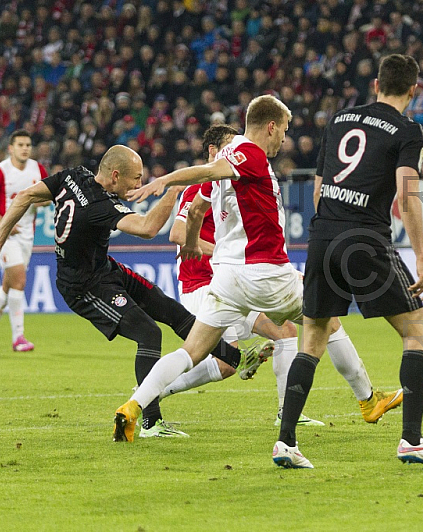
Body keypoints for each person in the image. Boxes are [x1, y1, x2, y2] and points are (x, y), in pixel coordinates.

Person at [113, 95, 402, 443]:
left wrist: (190, 242)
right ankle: (368, 400)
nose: (284, 138)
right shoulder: (247, 151)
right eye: (284, 130)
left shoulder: (231, 161)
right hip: (265, 271)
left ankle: (134, 405)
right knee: (328, 319)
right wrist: (167, 181)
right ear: (270, 126)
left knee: (192, 351)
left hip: (227, 278)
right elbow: (204, 174)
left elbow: (196, 210)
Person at [0, 145, 264, 440]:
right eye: (135, 179)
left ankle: (234, 359)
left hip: (104, 270)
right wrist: (173, 188)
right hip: (83, 287)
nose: (138, 185)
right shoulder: (100, 206)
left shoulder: (73, 176)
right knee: (149, 333)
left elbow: (25, 196)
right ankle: (151, 422)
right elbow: (149, 228)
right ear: (115, 176)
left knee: (170, 309)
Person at [272, 54, 423, 469]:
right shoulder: (409, 130)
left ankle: (286, 443)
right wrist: (422, 261)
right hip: (365, 239)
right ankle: (411, 440)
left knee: (313, 340)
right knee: (417, 334)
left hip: (322, 237)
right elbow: (407, 198)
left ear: (375, 84)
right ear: (413, 90)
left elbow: (319, 191)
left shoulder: (338, 121)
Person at [164, 124, 323, 427]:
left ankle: (288, 413)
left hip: (232, 283)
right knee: (225, 363)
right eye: (227, 146)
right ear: (212, 151)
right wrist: (225, 251)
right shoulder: (200, 186)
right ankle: (155, 391)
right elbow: (178, 232)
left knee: (286, 331)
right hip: (200, 285)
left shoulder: (235, 185)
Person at [0, 130, 48, 352]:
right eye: (20, 145)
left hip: (27, 235)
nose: (25, 148)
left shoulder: (39, 170)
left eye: (28, 144)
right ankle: (19, 338)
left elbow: (47, 198)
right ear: (11, 148)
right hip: (4, 236)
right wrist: (5, 222)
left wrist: (41, 202)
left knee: (9, 286)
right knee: (19, 282)